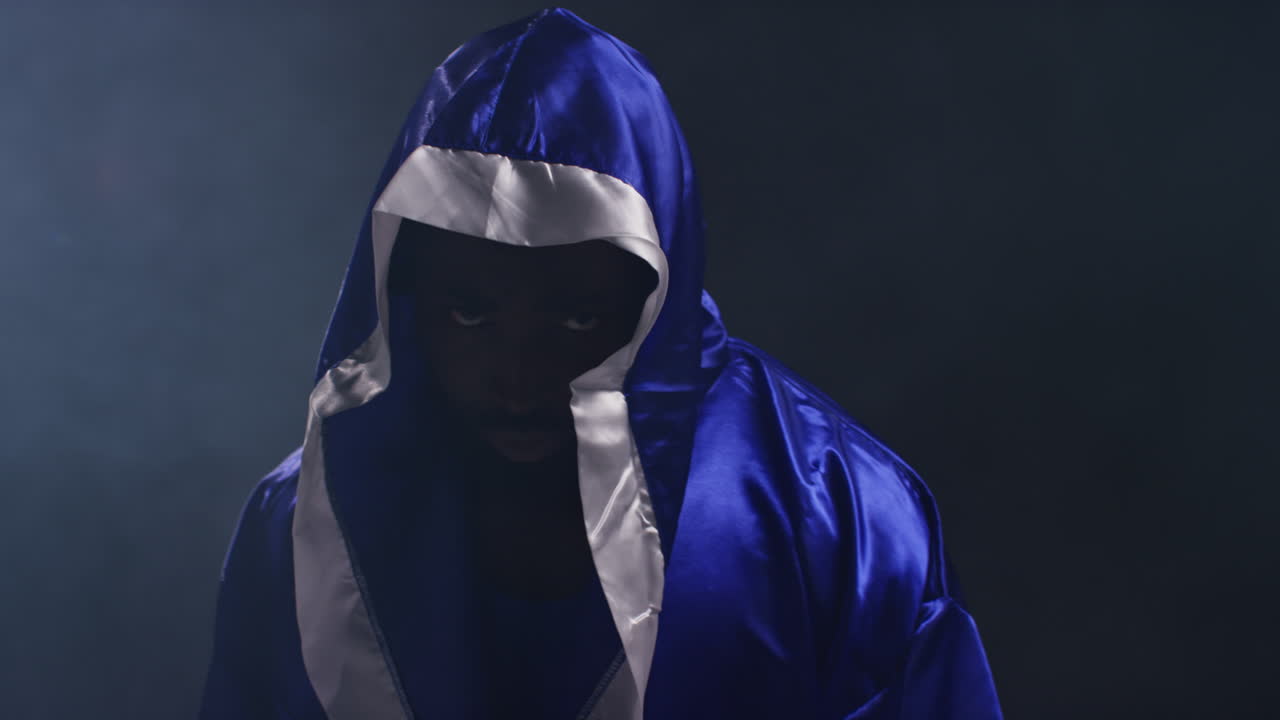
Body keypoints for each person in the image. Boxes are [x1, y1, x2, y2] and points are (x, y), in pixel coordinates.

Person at [199, 8, 1003, 719]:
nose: (517, 372)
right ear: (402, 297)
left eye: (576, 315)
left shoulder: (839, 520)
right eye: (469, 311)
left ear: (653, 292)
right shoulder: (305, 530)